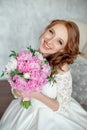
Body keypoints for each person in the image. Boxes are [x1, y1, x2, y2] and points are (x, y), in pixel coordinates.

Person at [0, 19, 87, 130]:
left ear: (63, 49)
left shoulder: (61, 68)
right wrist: (17, 91)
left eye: (59, 41)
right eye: (51, 32)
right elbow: (18, 86)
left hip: (52, 115)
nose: (49, 41)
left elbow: (61, 107)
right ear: (46, 29)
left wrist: (35, 94)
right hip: (26, 110)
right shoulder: (31, 56)